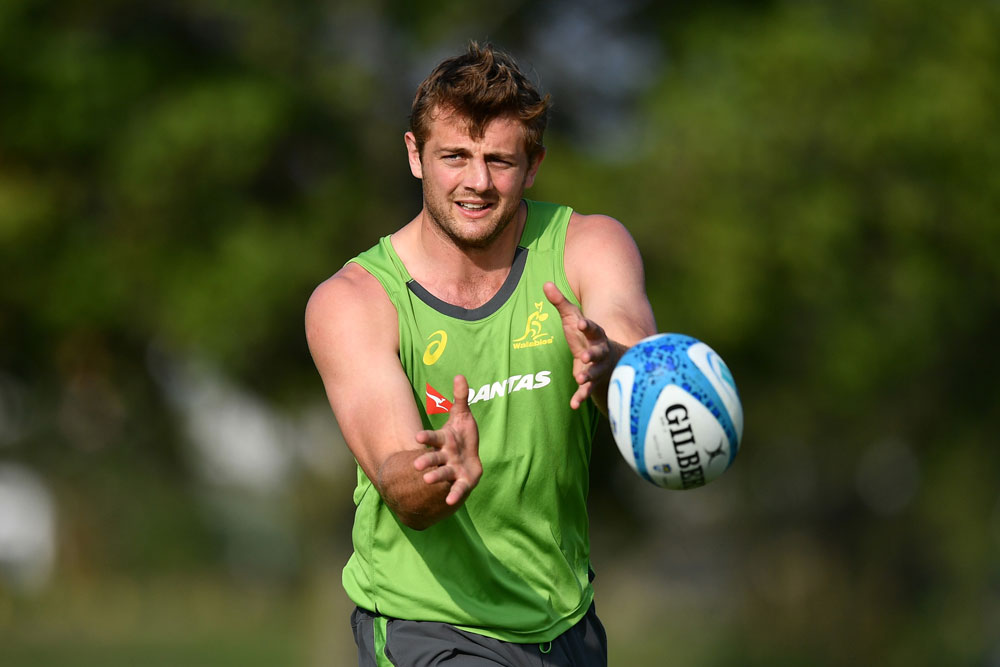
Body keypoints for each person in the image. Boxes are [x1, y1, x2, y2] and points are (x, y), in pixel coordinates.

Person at [305, 41, 656, 667]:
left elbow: (636, 362)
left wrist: (612, 366)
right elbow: (398, 480)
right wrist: (439, 470)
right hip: (428, 628)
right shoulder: (353, 301)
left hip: (565, 621)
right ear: (415, 155)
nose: (477, 182)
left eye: (499, 160)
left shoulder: (590, 246)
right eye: (454, 157)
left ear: (534, 164)